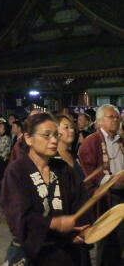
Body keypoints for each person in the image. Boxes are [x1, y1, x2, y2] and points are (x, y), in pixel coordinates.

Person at [0, 113, 92, 265]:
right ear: (29, 138)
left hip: (65, 251)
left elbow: (81, 202)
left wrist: (80, 230)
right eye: (47, 135)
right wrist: (54, 223)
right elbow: (17, 216)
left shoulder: (63, 170)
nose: (54, 140)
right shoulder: (17, 171)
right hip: (34, 253)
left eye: (56, 135)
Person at [79, 104, 123, 266]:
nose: (116, 120)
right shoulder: (91, 142)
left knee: (121, 239)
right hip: (107, 196)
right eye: (112, 117)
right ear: (100, 121)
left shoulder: (120, 140)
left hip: (121, 194)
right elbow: (88, 168)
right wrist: (112, 180)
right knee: (107, 237)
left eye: (117, 117)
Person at [55, 114, 92, 266]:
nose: (71, 130)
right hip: (66, 223)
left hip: (81, 219)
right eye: (66, 127)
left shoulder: (72, 156)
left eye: (72, 127)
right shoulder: (53, 160)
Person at [0, 120, 12, 199]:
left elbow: (0, 149)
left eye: (1, 127)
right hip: (1, 160)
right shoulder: (2, 137)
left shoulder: (5, 138)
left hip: (2, 160)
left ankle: (2, 196)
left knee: (0, 178)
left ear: (5, 129)